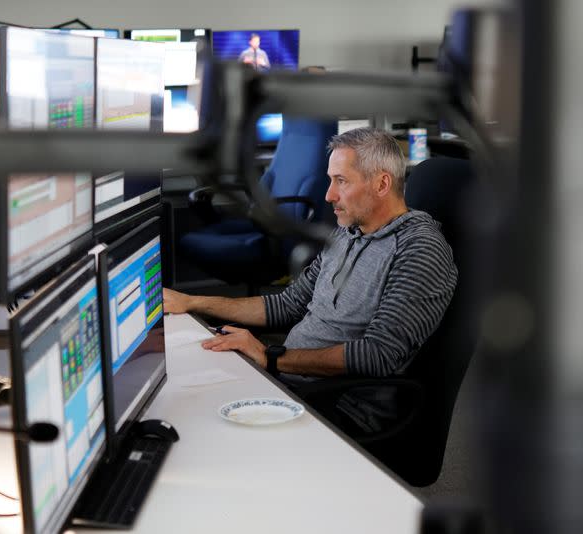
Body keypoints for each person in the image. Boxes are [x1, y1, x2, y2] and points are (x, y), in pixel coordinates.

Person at [165, 127, 457, 429]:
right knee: (185, 396)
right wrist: (191, 302)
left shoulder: (419, 250)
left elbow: (379, 354)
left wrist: (271, 356)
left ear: (382, 183)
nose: (328, 195)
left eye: (341, 181)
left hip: (339, 404)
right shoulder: (347, 231)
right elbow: (288, 305)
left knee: (201, 424)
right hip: (289, 378)